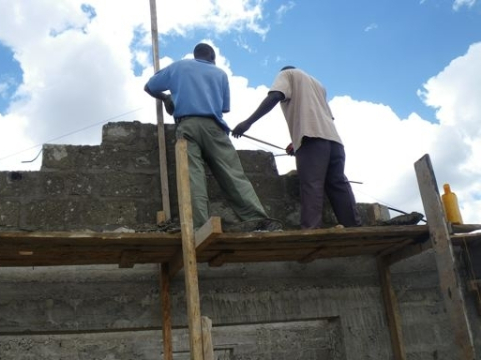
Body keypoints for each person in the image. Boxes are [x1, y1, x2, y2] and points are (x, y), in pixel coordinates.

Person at [144, 43, 282, 232]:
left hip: (187, 126)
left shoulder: (179, 67)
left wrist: (167, 98)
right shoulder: (220, 74)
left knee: (193, 177)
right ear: (212, 56)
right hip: (214, 128)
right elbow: (224, 108)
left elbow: (149, 87)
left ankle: (199, 226)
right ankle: (258, 220)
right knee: (233, 175)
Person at [232, 66, 362, 230]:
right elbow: (323, 116)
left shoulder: (287, 74)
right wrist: (296, 142)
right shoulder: (317, 84)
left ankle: (311, 230)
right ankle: (354, 227)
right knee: (338, 183)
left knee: (311, 185)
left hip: (311, 139)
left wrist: (247, 123)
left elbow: (274, 96)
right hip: (334, 140)